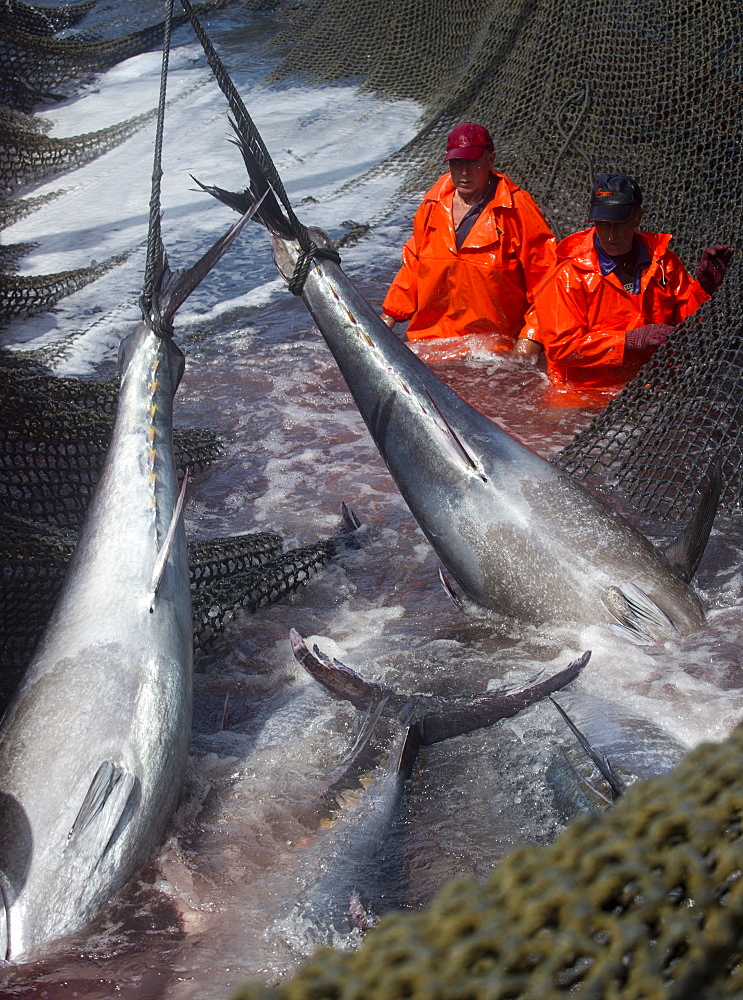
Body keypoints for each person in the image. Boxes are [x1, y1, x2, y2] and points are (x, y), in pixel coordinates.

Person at [520, 172, 734, 395]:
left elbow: (686, 327)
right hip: (580, 393)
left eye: (620, 223)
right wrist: (627, 340)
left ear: (638, 217)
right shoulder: (568, 273)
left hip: (648, 387)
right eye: (603, 224)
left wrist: (703, 289)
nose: (611, 235)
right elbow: (561, 347)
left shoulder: (664, 263)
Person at [381, 122, 555, 350]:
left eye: (472, 162)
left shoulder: (517, 208)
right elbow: (412, 267)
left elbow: (548, 280)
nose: (464, 172)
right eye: (457, 162)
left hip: (493, 351)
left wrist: (529, 340)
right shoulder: (431, 206)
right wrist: (388, 318)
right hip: (431, 344)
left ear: (491, 160)